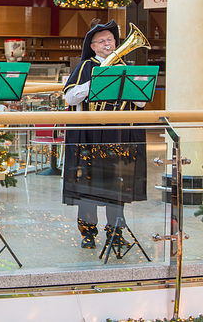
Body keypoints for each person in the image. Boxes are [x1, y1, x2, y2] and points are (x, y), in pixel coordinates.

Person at [62, 19, 147, 249]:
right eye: (102, 41)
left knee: (117, 185)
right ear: (93, 46)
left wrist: (130, 83)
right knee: (88, 186)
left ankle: (116, 232)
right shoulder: (85, 67)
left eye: (111, 40)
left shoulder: (125, 66)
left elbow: (140, 104)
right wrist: (96, 82)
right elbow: (69, 97)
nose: (108, 44)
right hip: (90, 136)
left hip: (118, 135)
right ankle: (88, 233)